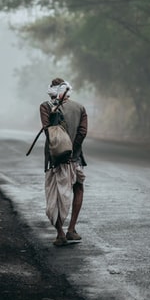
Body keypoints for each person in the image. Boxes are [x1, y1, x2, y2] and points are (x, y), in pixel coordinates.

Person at [39, 77, 88, 247]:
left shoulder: (45, 107)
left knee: (55, 193)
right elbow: (82, 132)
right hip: (76, 157)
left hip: (55, 157)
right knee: (78, 187)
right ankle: (71, 230)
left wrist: (64, 150)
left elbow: (48, 132)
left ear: (52, 90)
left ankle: (61, 233)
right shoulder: (80, 108)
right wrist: (73, 150)